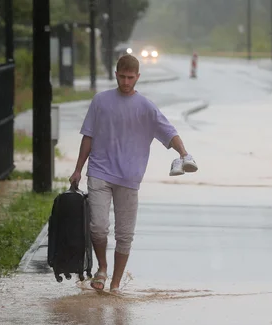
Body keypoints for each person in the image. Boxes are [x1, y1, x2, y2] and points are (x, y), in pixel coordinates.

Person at [69, 54, 198, 293]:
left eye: (131, 78)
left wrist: (184, 154)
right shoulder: (100, 101)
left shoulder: (146, 108)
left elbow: (169, 132)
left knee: (124, 235)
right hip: (99, 170)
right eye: (122, 77)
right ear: (115, 74)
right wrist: (78, 169)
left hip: (129, 177)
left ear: (138, 77)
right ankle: (102, 268)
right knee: (98, 227)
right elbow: (88, 136)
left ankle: (116, 286)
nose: (126, 82)